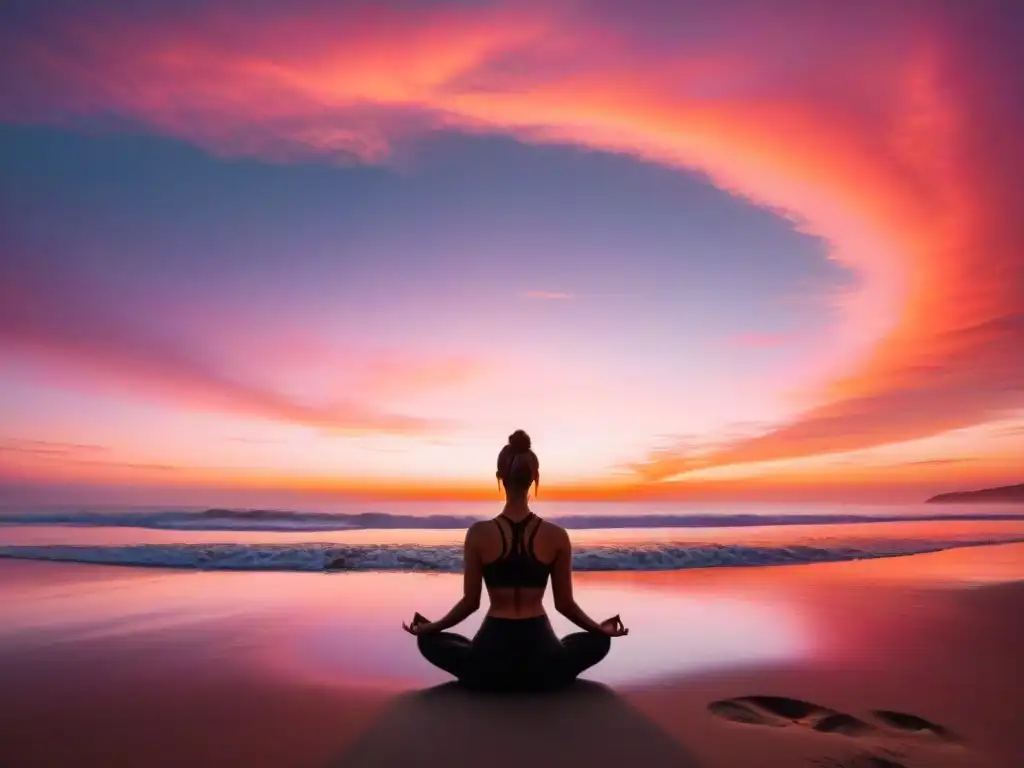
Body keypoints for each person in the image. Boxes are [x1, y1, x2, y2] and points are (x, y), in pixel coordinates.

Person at [403, 429, 628, 691]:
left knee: (429, 641)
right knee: (598, 642)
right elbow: (565, 605)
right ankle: (549, 671)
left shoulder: (478, 534)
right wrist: (600, 631)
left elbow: (470, 603)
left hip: (490, 656)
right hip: (542, 657)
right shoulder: (556, 536)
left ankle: (484, 673)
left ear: (499, 478)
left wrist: (432, 628)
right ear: (535, 479)